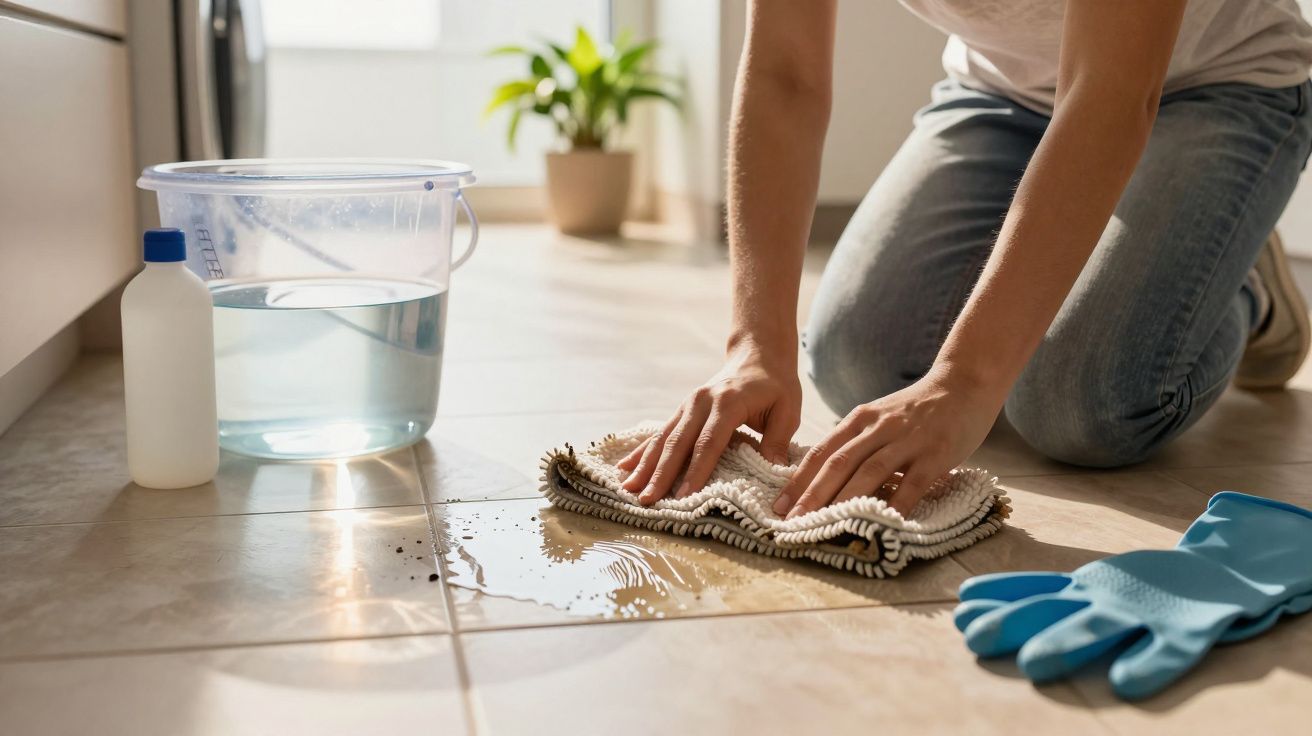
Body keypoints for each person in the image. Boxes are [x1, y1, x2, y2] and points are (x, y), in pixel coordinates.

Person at [618, 0, 1312, 517]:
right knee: (854, 359)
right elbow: (786, 72)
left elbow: (1112, 91)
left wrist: (963, 380)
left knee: (1080, 402)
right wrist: (755, 342)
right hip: (1001, 94)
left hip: (1219, 84)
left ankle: (1239, 278)